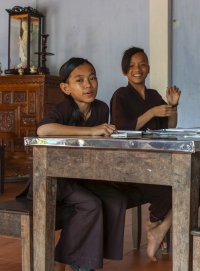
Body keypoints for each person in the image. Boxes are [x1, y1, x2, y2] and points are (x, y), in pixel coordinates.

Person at [37, 57, 128, 271]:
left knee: (116, 199)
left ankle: (81, 257)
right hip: (55, 179)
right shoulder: (63, 109)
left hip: (82, 176)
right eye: (80, 80)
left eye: (93, 78)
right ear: (65, 88)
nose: (88, 85)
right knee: (90, 204)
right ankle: (80, 264)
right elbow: (43, 130)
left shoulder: (100, 108)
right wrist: (90, 130)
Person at [110, 47, 180, 261]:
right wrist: (151, 112)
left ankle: (158, 229)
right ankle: (155, 222)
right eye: (131, 65)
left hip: (156, 159)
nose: (137, 69)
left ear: (148, 68)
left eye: (142, 64)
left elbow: (170, 126)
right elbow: (121, 130)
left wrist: (173, 106)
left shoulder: (153, 95)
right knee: (170, 188)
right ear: (125, 71)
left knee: (190, 186)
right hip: (132, 163)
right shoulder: (120, 95)